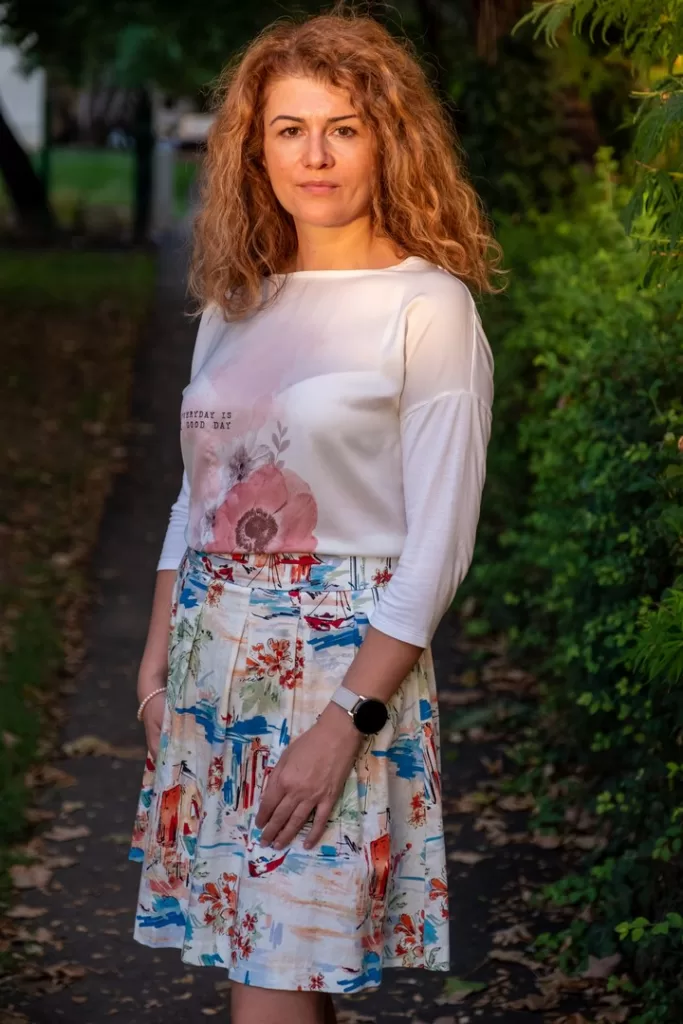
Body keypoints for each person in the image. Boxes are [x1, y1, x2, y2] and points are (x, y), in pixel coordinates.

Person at [128, 9, 501, 1024]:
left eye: (343, 127)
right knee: (281, 975)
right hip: (208, 674)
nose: (315, 155)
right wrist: (154, 673)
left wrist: (346, 722)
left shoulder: (428, 307)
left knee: (273, 988)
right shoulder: (235, 302)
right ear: (255, 148)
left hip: (337, 676)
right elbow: (194, 496)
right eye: (288, 129)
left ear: (389, 140)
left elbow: (438, 546)